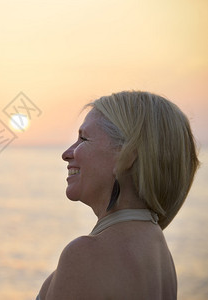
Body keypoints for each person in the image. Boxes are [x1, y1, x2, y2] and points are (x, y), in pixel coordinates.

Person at [37, 91, 199, 299]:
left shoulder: (86, 255)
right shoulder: (159, 252)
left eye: (83, 138)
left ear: (126, 156)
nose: (67, 153)